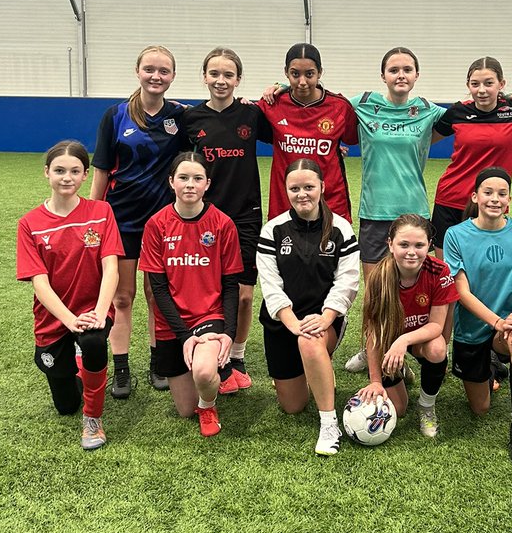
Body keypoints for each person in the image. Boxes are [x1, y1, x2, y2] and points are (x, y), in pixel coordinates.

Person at [91, 44, 187, 399]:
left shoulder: (180, 117)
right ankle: (121, 368)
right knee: (123, 297)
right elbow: (101, 170)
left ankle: (159, 363)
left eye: (163, 71)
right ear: (137, 71)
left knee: (157, 295)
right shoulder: (115, 115)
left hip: (163, 225)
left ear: (173, 77)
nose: (156, 76)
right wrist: (93, 214)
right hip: (122, 221)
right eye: (150, 69)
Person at [16, 141, 123, 451]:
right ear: (46, 173)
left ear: (85, 175)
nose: (67, 177)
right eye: (59, 170)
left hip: (93, 310)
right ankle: (76, 370)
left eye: (75, 171)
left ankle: (94, 419)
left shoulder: (101, 212)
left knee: (93, 341)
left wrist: (101, 313)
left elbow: (111, 267)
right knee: (65, 405)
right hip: (54, 318)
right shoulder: (30, 224)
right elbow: (39, 283)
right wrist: (69, 320)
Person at [345, 47, 448, 371]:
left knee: (413, 289)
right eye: (394, 70)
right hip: (375, 211)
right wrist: (277, 86)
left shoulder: (428, 111)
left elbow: (474, 112)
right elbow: (321, 98)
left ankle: (411, 347)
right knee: (376, 291)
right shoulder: (363, 104)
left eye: (407, 69)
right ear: (383, 76)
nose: (400, 75)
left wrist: (509, 100)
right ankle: (371, 348)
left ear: (416, 75)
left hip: (414, 212)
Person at [256, 159, 360, 456]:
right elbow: (271, 285)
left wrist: (327, 317)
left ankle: (329, 423)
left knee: (310, 343)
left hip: (322, 321)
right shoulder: (272, 230)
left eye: (309, 187)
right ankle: (310, 369)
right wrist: (291, 322)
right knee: (292, 406)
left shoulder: (340, 228)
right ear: (286, 190)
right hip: (283, 322)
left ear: (322, 188)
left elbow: (348, 282)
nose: (302, 194)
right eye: (295, 188)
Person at [184, 46, 273, 386]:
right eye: (215, 74)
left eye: (228, 75)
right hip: (204, 218)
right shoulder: (190, 119)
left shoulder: (251, 116)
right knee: (210, 292)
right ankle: (207, 352)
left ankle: (236, 356)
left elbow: (289, 129)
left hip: (246, 215)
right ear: (205, 77)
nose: (221, 81)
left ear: (238, 80)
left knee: (245, 294)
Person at [139, 153, 245, 438]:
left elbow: (231, 285)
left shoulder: (222, 224)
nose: (190, 184)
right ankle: (216, 375)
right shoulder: (156, 225)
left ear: (207, 184)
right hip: (172, 324)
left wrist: (228, 334)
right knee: (185, 409)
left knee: (201, 372)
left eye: (197, 178)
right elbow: (157, 290)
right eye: (183, 178)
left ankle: (209, 403)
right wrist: (184, 335)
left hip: (209, 316)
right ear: (171, 181)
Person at [442, 169, 512, 466]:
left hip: (508, 325)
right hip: (472, 329)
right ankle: (493, 367)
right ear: (475, 197)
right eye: (487, 192)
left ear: (509, 200)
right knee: (480, 408)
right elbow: (462, 291)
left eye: (501, 194)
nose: (494, 199)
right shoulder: (456, 235)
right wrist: (496, 322)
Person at [358, 215, 458, 438]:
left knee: (438, 348)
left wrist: (403, 341)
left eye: (419, 245)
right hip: (388, 341)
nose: (411, 251)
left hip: (420, 339)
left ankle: (426, 406)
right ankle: (398, 367)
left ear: (429, 245)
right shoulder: (379, 278)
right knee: (398, 409)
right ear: (390, 244)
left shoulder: (440, 272)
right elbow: (374, 333)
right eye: (404, 244)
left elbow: (436, 327)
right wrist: (375, 381)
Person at [432, 57, 512, 256]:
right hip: (450, 199)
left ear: (501, 84)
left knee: (483, 266)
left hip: (490, 201)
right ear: (468, 85)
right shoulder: (458, 111)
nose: (481, 90)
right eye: (475, 84)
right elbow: (425, 140)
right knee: (447, 272)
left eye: (489, 83)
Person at [257, 43, 358, 221]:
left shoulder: (339, 107)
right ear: (286, 73)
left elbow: (352, 138)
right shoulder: (271, 104)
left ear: (320, 72)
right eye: (295, 74)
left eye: (309, 74)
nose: (302, 82)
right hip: (284, 203)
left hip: (331, 201)